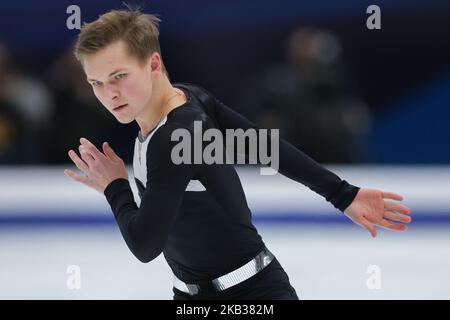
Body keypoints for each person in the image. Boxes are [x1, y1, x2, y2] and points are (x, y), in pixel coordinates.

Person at [64, 9, 412, 300]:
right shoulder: (189, 99)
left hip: (250, 296)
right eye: (96, 83)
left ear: (153, 64)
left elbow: (145, 245)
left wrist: (116, 188)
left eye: (118, 76)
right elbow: (264, 147)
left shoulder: (178, 136)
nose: (109, 93)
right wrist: (342, 194)